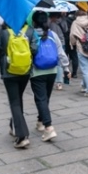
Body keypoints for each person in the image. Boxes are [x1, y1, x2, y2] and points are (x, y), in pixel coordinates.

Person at [27, 10, 69, 142]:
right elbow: (60, 52)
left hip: (37, 71)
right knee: (45, 98)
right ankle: (40, 121)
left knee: (40, 99)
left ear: (33, 21)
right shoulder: (52, 34)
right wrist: (66, 68)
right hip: (52, 71)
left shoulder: (30, 34)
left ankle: (48, 127)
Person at [0, 21, 32, 149]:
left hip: (9, 71)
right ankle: (14, 125)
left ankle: (22, 136)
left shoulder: (4, 32)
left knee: (14, 102)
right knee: (18, 98)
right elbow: (34, 48)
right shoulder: (29, 30)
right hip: (25, 70)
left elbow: (0, 49)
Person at [48, 12, 66, 90]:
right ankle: (59, 82)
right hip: (62, 42)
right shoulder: (63, 20)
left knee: (56, 62)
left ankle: (57, 81)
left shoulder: (51, 23)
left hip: (53, 43)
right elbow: (66, 29)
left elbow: (50, 33)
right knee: (60, 62)